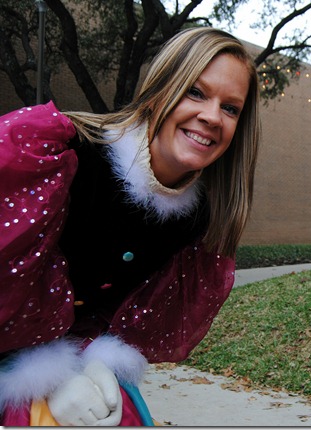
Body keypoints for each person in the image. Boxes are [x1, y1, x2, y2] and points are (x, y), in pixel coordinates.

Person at [0, 26, 260, 425]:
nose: (211, 116)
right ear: (159, 91)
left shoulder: (198, 221)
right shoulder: (57, 154)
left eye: (230, 108)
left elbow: (113, 314)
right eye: (195, 92)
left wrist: (94, 360)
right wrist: (44, 378)